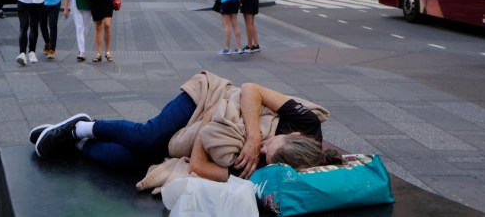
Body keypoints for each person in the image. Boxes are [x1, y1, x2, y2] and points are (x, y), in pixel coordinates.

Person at [30, 71, 339, 186]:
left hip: (203, 128)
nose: (259, 150)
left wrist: (206, 130)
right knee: (149, 137)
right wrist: (255, 136)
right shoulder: (306, 123)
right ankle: (83, 128)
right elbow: (250, 88)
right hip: (207, 95)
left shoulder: (261, 173)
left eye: (265, 155)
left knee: (124, 162)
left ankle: (74, 143)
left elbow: (201, 169)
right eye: (269, 145)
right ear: (295, 136)